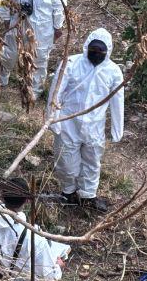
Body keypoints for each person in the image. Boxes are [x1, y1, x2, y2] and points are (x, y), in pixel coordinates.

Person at [46, 27, 125, 211]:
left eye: (100, 52)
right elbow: (55, 92)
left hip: (94, 127)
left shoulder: (113, 72)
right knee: (66, 160)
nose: (96, 54)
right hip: (68, 123)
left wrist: (116, 129)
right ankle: (68, 191)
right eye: (93, 50)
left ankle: (88, 196)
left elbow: (117, 101)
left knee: (92, 161)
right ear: (86, 46)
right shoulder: (71, 63)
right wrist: (53, 119)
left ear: (108, 52)